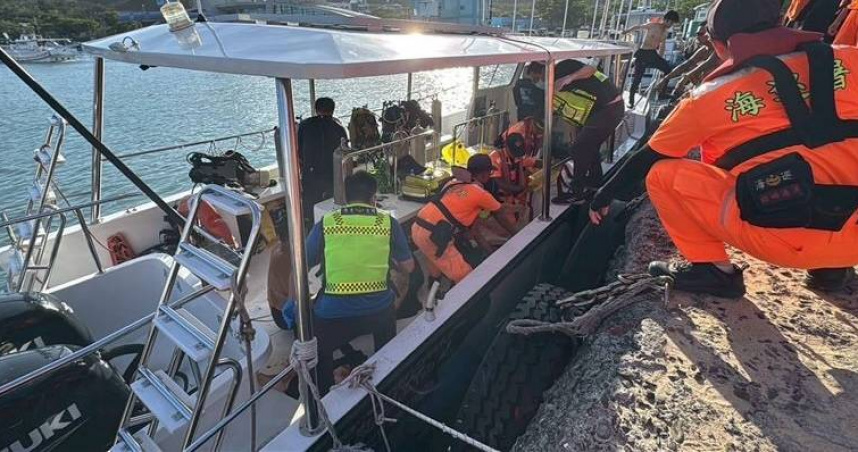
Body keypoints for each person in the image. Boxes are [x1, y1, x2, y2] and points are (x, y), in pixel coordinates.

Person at [589, 0, 858, 297]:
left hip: (781, 237)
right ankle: (833, 268)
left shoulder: (708, 97)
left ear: (718, 44)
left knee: (661, 174)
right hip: (853, 233)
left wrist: (602, 196)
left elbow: (649, 157)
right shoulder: (850, 60)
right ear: (780, 21)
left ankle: (715, 271)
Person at [303, 171, 415, 393]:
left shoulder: (327, 223)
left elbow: (302, 265)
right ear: (374, 197)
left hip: (332, 315)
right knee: (389, 309)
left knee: (319, 347)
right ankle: (386, 377)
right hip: (378, 312)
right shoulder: (388, 223)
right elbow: (409, 267)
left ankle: (324, 393)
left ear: (345, 197)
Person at [412, 154, 518, 283]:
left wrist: (489, 252)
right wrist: (517, 234)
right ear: (484, 174)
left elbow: (473, 230)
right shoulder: (481, 194)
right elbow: (500, 214)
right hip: (435, 235)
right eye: (490, 172)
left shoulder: (453, 183)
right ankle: (458, 299)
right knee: (465, 277)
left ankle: (434, 287)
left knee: (435, 261)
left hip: (418, 225)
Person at [552, 58, 625, 202]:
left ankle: (576, 191)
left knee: (579, 147)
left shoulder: (564, 67)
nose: (539, 80)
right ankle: (595, 181)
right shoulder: (552, 85)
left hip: (610, 108)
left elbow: (591, 69)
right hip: (596, 111)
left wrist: (569, 77)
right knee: (588, 145)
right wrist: (575, 129)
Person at [297, 97, 348, 231]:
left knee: (310, 204)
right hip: (331, 174)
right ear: (333, 110)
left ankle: (309, 228)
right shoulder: (339, 128)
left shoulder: (304, 125)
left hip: (310, 173)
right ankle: (330, 229)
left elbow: (298, 150)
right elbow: (344, 154)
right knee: (329, 205)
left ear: (315, 109)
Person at [624, 10, 680, 108]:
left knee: (668, 69)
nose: (670, 25)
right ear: (665, 20)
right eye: (670, 22)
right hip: (643, 53)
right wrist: (627, 31)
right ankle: (631, 101)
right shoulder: (653, 26)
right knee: (637, 79)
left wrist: (661, 60)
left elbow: (662, 47)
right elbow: (638, 27)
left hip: (653, 55)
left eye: (672, 23)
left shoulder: (665, 33)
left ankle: (661, 93)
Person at [654, 26, 721, 98]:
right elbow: (686, 64)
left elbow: (707, 63)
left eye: (700, 34)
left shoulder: (717, 50)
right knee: (690, 68)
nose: (697, 36)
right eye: (697, 34)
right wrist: (665, 79)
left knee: (696, 70)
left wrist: (686, 77)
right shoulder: (703, 50)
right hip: (701, 84)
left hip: (714, 84)